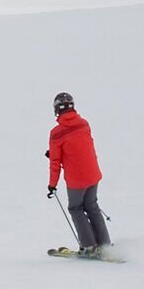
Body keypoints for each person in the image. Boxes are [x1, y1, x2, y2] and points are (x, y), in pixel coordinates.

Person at [46, 92, 111, 256]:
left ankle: (89, 247)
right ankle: (104, 245)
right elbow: (79, 144)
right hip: (93, 173)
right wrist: (56, 153)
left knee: (75, 208)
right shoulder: (83, 124)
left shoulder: (56, 133)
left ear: (56, 110)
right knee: (92, 206)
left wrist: (52, 185)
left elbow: (55, 163)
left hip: (77, 180)